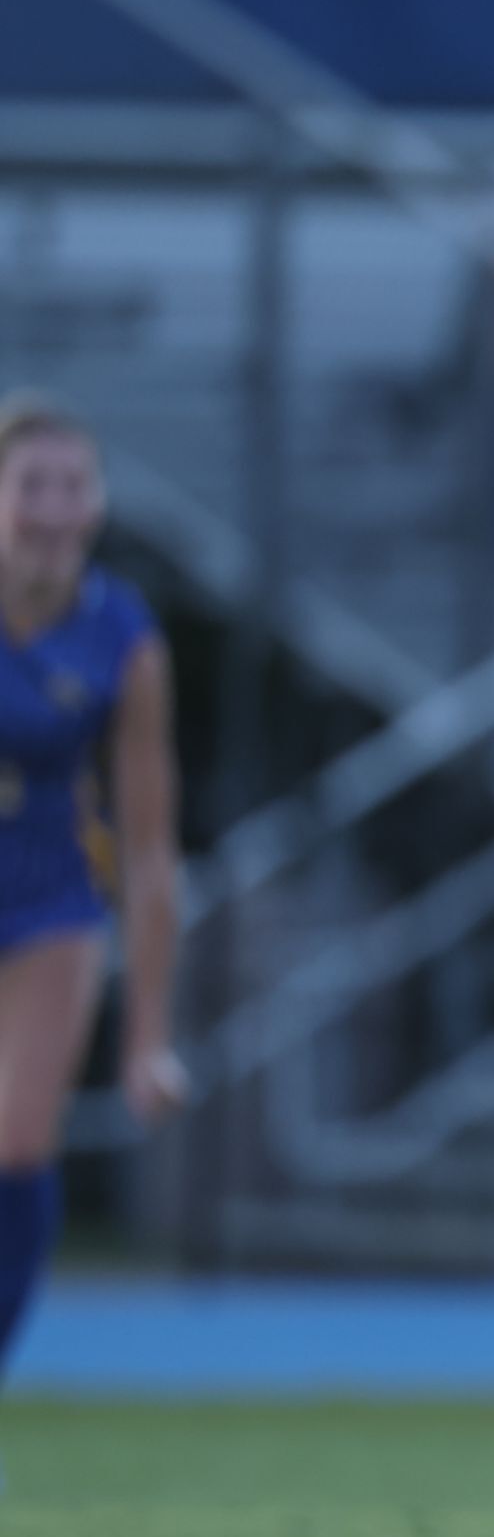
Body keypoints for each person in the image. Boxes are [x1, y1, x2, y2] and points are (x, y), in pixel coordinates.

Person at [0, 399, 186, 1406]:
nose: (52, 508)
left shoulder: (125, 638)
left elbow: (152, 847)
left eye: (72, 485)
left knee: (18, 1146)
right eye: (31, 485)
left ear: (98, 502)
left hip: (48, 901)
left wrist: (147, 1034)